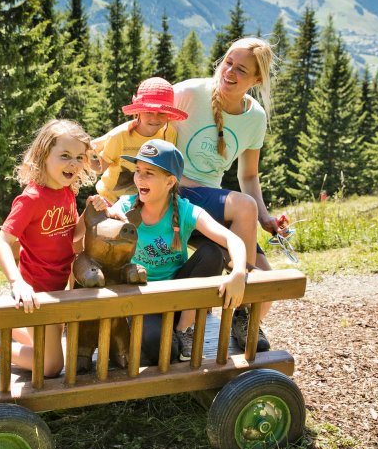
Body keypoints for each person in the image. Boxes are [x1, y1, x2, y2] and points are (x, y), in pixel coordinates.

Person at [173, 36, 282, 352]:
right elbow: (145, 117)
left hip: (214, 202)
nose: (230, 72)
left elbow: (248, 175)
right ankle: (240, 303)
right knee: (243, 207)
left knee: (269, 281)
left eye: (242, 70)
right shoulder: (190, 93)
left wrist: (265, 218)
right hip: (177, 195)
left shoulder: (255, 118)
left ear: (256, 79)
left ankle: (241, 319)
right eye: (228, 63)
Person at [0, 120, 107, 377]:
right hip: (37, 293)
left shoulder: (67, 191)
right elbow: (2, 243)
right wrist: (17, 283)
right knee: (51, 366)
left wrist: (88, 213)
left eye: (79, 157)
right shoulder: (31, 199)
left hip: (60, 290)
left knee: (47, 346)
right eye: (65, 156)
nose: (73, 163)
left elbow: (72, 236)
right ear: (44, 155)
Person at [108, 139, 247, 365]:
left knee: (212, 253)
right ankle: (162, 336)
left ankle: (185, 328)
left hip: (180, 298)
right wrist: (104, 217)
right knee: (164, 351)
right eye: (138, 171)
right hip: (144, 299)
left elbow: (232, 239)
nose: (139, 178)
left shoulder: (185, 210)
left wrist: (239, 272)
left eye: (149, 173)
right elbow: (100, 229)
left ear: (170, 181)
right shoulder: (125, 206)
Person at [93, 77, 188, 204]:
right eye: (149, 112)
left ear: (168, 115)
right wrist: (83, 154)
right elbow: (100, 167)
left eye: (161, 113)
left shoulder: (169, 133)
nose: (155, 118)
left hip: (145, 201)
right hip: (111, 199)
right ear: (139, 112)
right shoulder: (119, 136)